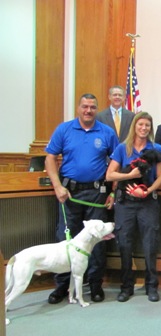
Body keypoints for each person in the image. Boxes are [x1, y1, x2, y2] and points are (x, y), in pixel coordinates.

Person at [45, 93, 119, 304]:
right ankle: (62, 286)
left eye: (92, 107)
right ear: (78, 108)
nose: (88, 111)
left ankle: (95, 285)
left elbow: (117, 162)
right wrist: (57, 186)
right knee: (65, 240)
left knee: (96, 241)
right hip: (68, 195)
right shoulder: (64, 129)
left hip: (97, 195)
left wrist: (113, 192)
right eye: (85, 107)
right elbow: (50, 157)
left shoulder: (106, 132)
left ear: (97, 109)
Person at [105, 112, 161, 303]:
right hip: (125, 204)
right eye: (141, 124)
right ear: (134, 125)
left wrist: (147, 191)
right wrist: (130, 176)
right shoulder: (123, 148)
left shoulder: (156, 149)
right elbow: (109, 175)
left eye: (147, 125)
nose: (144, 128)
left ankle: (151, 286)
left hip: (147, 203)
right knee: (124, 245)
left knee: (150, 245)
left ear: (151, 128)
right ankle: (126, 287)